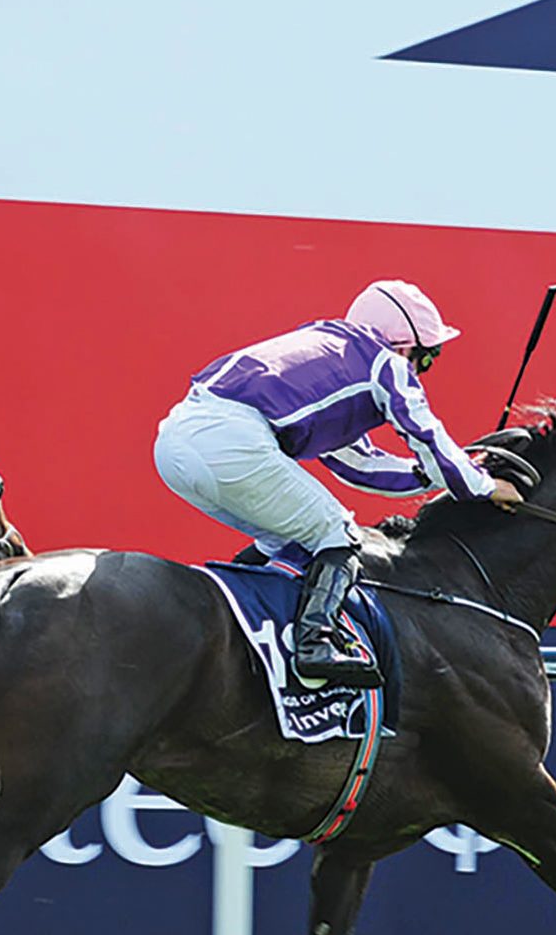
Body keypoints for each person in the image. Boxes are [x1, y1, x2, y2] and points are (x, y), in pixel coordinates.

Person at [153, 279, 521, 688]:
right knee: (338, 531)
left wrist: (439, 475)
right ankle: (315, 644)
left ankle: (230, 629)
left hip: (174, 440)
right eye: (428, 357)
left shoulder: (330, 353)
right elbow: (427, 436)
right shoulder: (387, 363)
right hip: (230, 439)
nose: (422, 370)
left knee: (284, 541)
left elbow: (358, 464)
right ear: (404, 346)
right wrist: (483, 484)